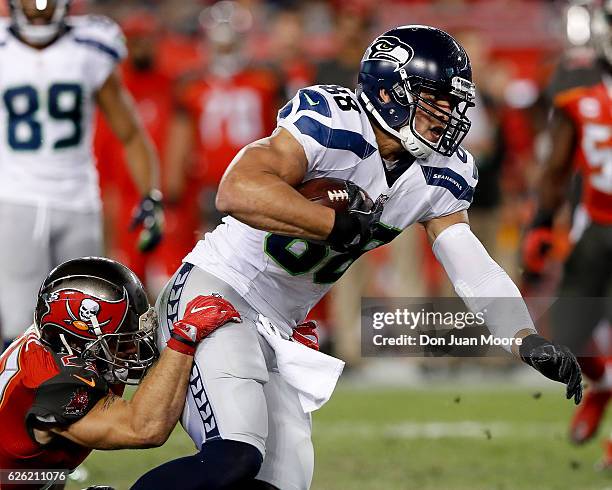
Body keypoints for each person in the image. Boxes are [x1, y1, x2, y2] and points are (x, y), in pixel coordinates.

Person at [135, 26, 583, 490]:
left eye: (455, 101)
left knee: (281, 484)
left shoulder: (442, 171)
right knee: (234, 457)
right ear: (390, 90)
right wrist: (334, 226)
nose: (449, 114)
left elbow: (471, 262)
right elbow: (237, 190)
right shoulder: (333, 122)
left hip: (279, 323)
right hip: (218, 291)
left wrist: (524, 338)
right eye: (437, 98)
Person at [0, 0, 163, 350]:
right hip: (15, 198)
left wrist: (151, 194)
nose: (38, 7)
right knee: (19, 329)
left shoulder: (90, 46)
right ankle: (20, 402)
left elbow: (131, 133)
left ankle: (81, 403)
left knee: (88, 320)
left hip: (79, 200)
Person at [0, 256, 241, 490]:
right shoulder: (52, 381)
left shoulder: (61, 349)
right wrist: (183, 339)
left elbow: (35, 467)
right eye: (120, 341)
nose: (133, 350)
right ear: (77, 339)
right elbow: (144, 429)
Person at [521, 0, 612, 463]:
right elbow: (556, 168)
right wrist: (539, 224)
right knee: (564, 335)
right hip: (596, 224)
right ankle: (604, 383)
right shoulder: (577, 85)